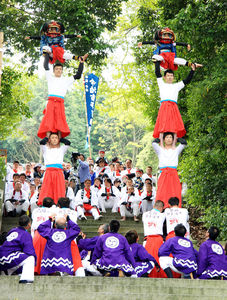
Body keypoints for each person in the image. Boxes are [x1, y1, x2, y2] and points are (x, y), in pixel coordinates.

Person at [37, 58, 86, 139]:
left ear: (62, 71)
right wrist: (46, 54)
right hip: (51, 102)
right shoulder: (50, 78)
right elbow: (46, 66)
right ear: (54, 71)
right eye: (56, 69)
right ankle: (48, 139)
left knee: (60, 121)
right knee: (49, 120)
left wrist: (81, 63)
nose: (58, 70)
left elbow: (78, 75)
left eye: (60, 69)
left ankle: (59, 140)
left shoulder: (66, 80)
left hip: (60, 102)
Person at [153, 61, 202, 138]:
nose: (169, 77)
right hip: (164, 106)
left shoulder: (176, 86)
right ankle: (162, 144)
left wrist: (193, 70)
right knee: (162, 125)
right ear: (164, 77)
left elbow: (187, 80)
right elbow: (157, 73)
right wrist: (157, 61)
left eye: (171, 76)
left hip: (173, 107)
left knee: (175, 125)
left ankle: (173, 145)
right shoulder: (161, 84)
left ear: (173, 77)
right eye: (168, 76)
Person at [152, 133, 186, 208]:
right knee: (161, 192)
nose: (169, 139)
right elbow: (154, 144)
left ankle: (175, 209)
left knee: (175, 192)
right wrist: (159, 138)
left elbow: (184, 143)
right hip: (164, 173)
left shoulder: (176, 150)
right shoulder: (160, 150)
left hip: (173, 174)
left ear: (173, 139)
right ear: (164, 139)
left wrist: (177, 139)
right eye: (167, 137)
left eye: (170, 137)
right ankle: (161, 209)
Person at [0, 215, 36, 284]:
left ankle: (11, 273)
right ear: (29, 224)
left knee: (20, 257)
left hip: (2, 256)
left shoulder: (12, 230)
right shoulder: (26, 234)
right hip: (9, 256)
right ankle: (26, 280)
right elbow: (29, 251)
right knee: (30, 258)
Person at [37, 133, 70, 205]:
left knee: (59, 188)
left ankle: (59, 204)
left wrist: (60, 138)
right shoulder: (45, 149)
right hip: (49, 171)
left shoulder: (61, 149)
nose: (54, 139)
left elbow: (68, 143)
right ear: (49, 139)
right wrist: (48, 137)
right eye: (52, 138)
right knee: (48, 189)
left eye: (56, 138)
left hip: (58, 172)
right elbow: (41, 142)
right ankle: (46, 204)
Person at [32, 197, 56, 274]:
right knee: (47, 253)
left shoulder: (35, 210)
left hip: (37, 233)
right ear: (52, 205)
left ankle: (35, 270)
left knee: (36, 252)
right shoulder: (53, 211)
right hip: (47, 232)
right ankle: (47, 270)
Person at [142, 200, 166, 278]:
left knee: (147, 257)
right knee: (158, 258)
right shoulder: (162, 215)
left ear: (154, 206)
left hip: (147, 239)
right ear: (161, 208)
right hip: (158, 239)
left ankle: (146, 275)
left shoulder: (145, 214)